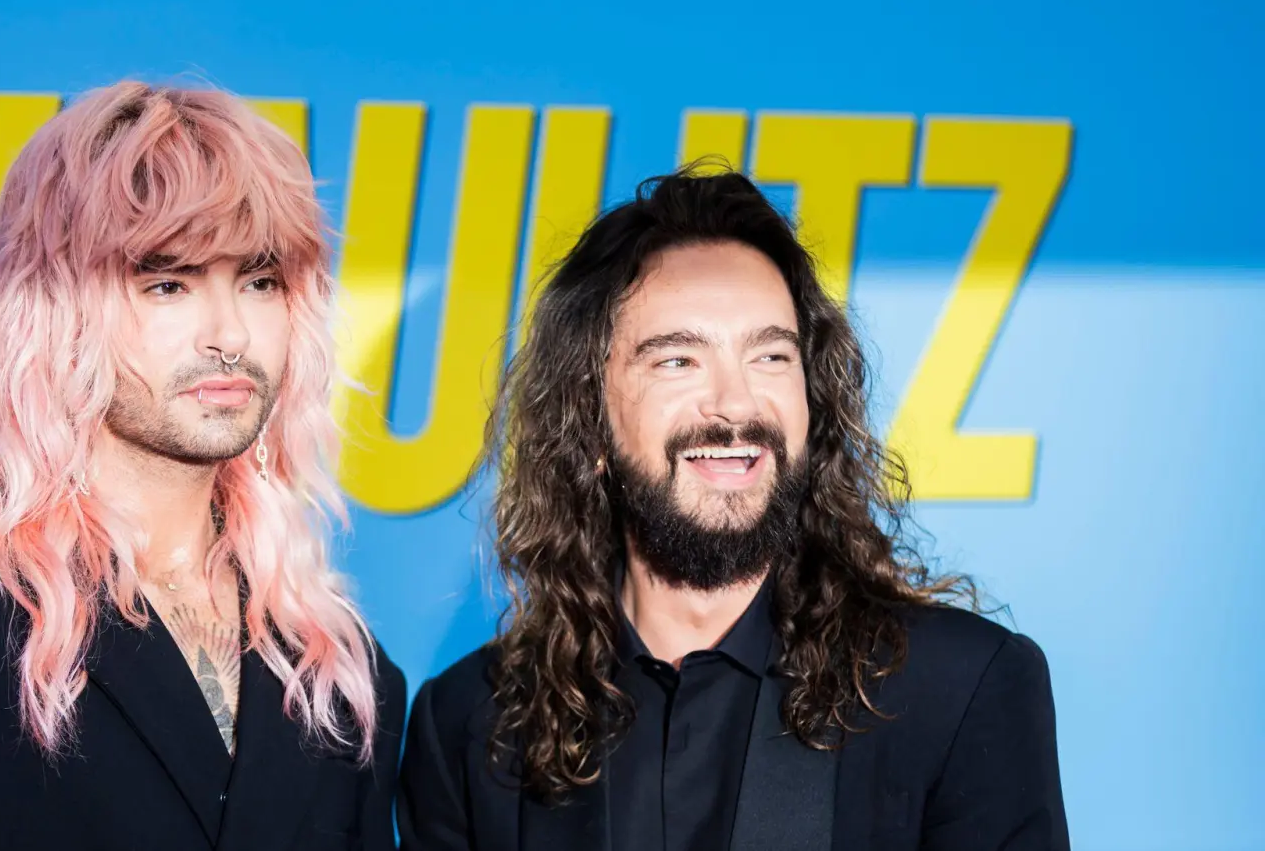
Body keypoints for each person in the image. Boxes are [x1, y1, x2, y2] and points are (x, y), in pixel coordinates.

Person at [0, 80, 406, 851]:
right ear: (51, 309)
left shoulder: (340, 670)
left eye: (260, 282)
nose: (230, 334)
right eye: (167, 283)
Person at [397, 166, 1068, 850]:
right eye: (677, 361)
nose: (735, 404)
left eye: (770, 356)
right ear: (589, 423)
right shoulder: (471, 725)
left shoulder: (958, 691)